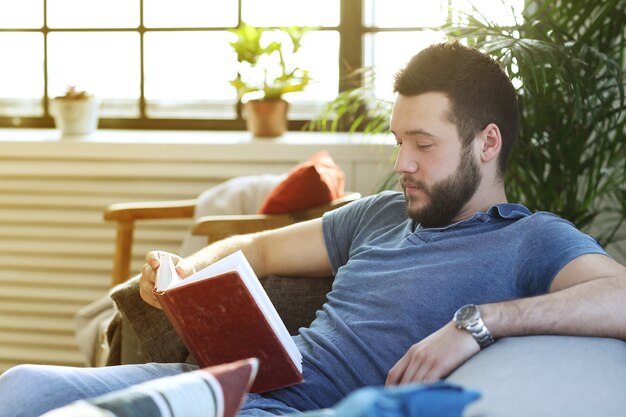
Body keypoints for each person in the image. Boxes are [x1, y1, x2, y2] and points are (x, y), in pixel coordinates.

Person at [1, 41, 625, 417]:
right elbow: (258, 246)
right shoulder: (382, 212)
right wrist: (189, 270)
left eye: (424, 144)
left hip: (309, 409)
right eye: (398, 141)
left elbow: (620, 296)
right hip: (249, 383)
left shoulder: (532, 239)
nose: (402, 163)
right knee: (24, 387)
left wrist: (481, 321)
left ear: (486, 143)